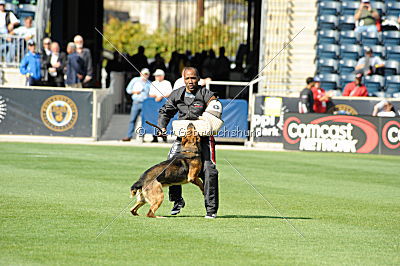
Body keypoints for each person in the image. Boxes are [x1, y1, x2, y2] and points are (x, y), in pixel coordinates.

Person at [158, 67, 220, 219]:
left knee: (209, 171)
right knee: (170, 166)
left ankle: (211, 210)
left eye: (193, 78)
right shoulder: (177, 94)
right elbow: (165, 111)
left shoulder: (207, 94)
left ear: (198, 79)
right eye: (187, 78)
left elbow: (215, 109)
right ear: (183, 79)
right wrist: (162, 126)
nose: (190, 81)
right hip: (183, 139)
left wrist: (210, 114)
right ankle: (177, 200)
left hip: (204, 140)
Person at [122, 68, 151, 142]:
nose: (145, 75)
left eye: (147, 74)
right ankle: (129, 136)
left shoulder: (149, 83)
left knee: (144, 121)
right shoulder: (135, 80)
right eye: (144, 74)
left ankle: (141, 136)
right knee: (132, 119)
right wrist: (135, 92)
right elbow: (128, 90)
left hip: (145, 104)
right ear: (141, 74)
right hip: (136, 102)